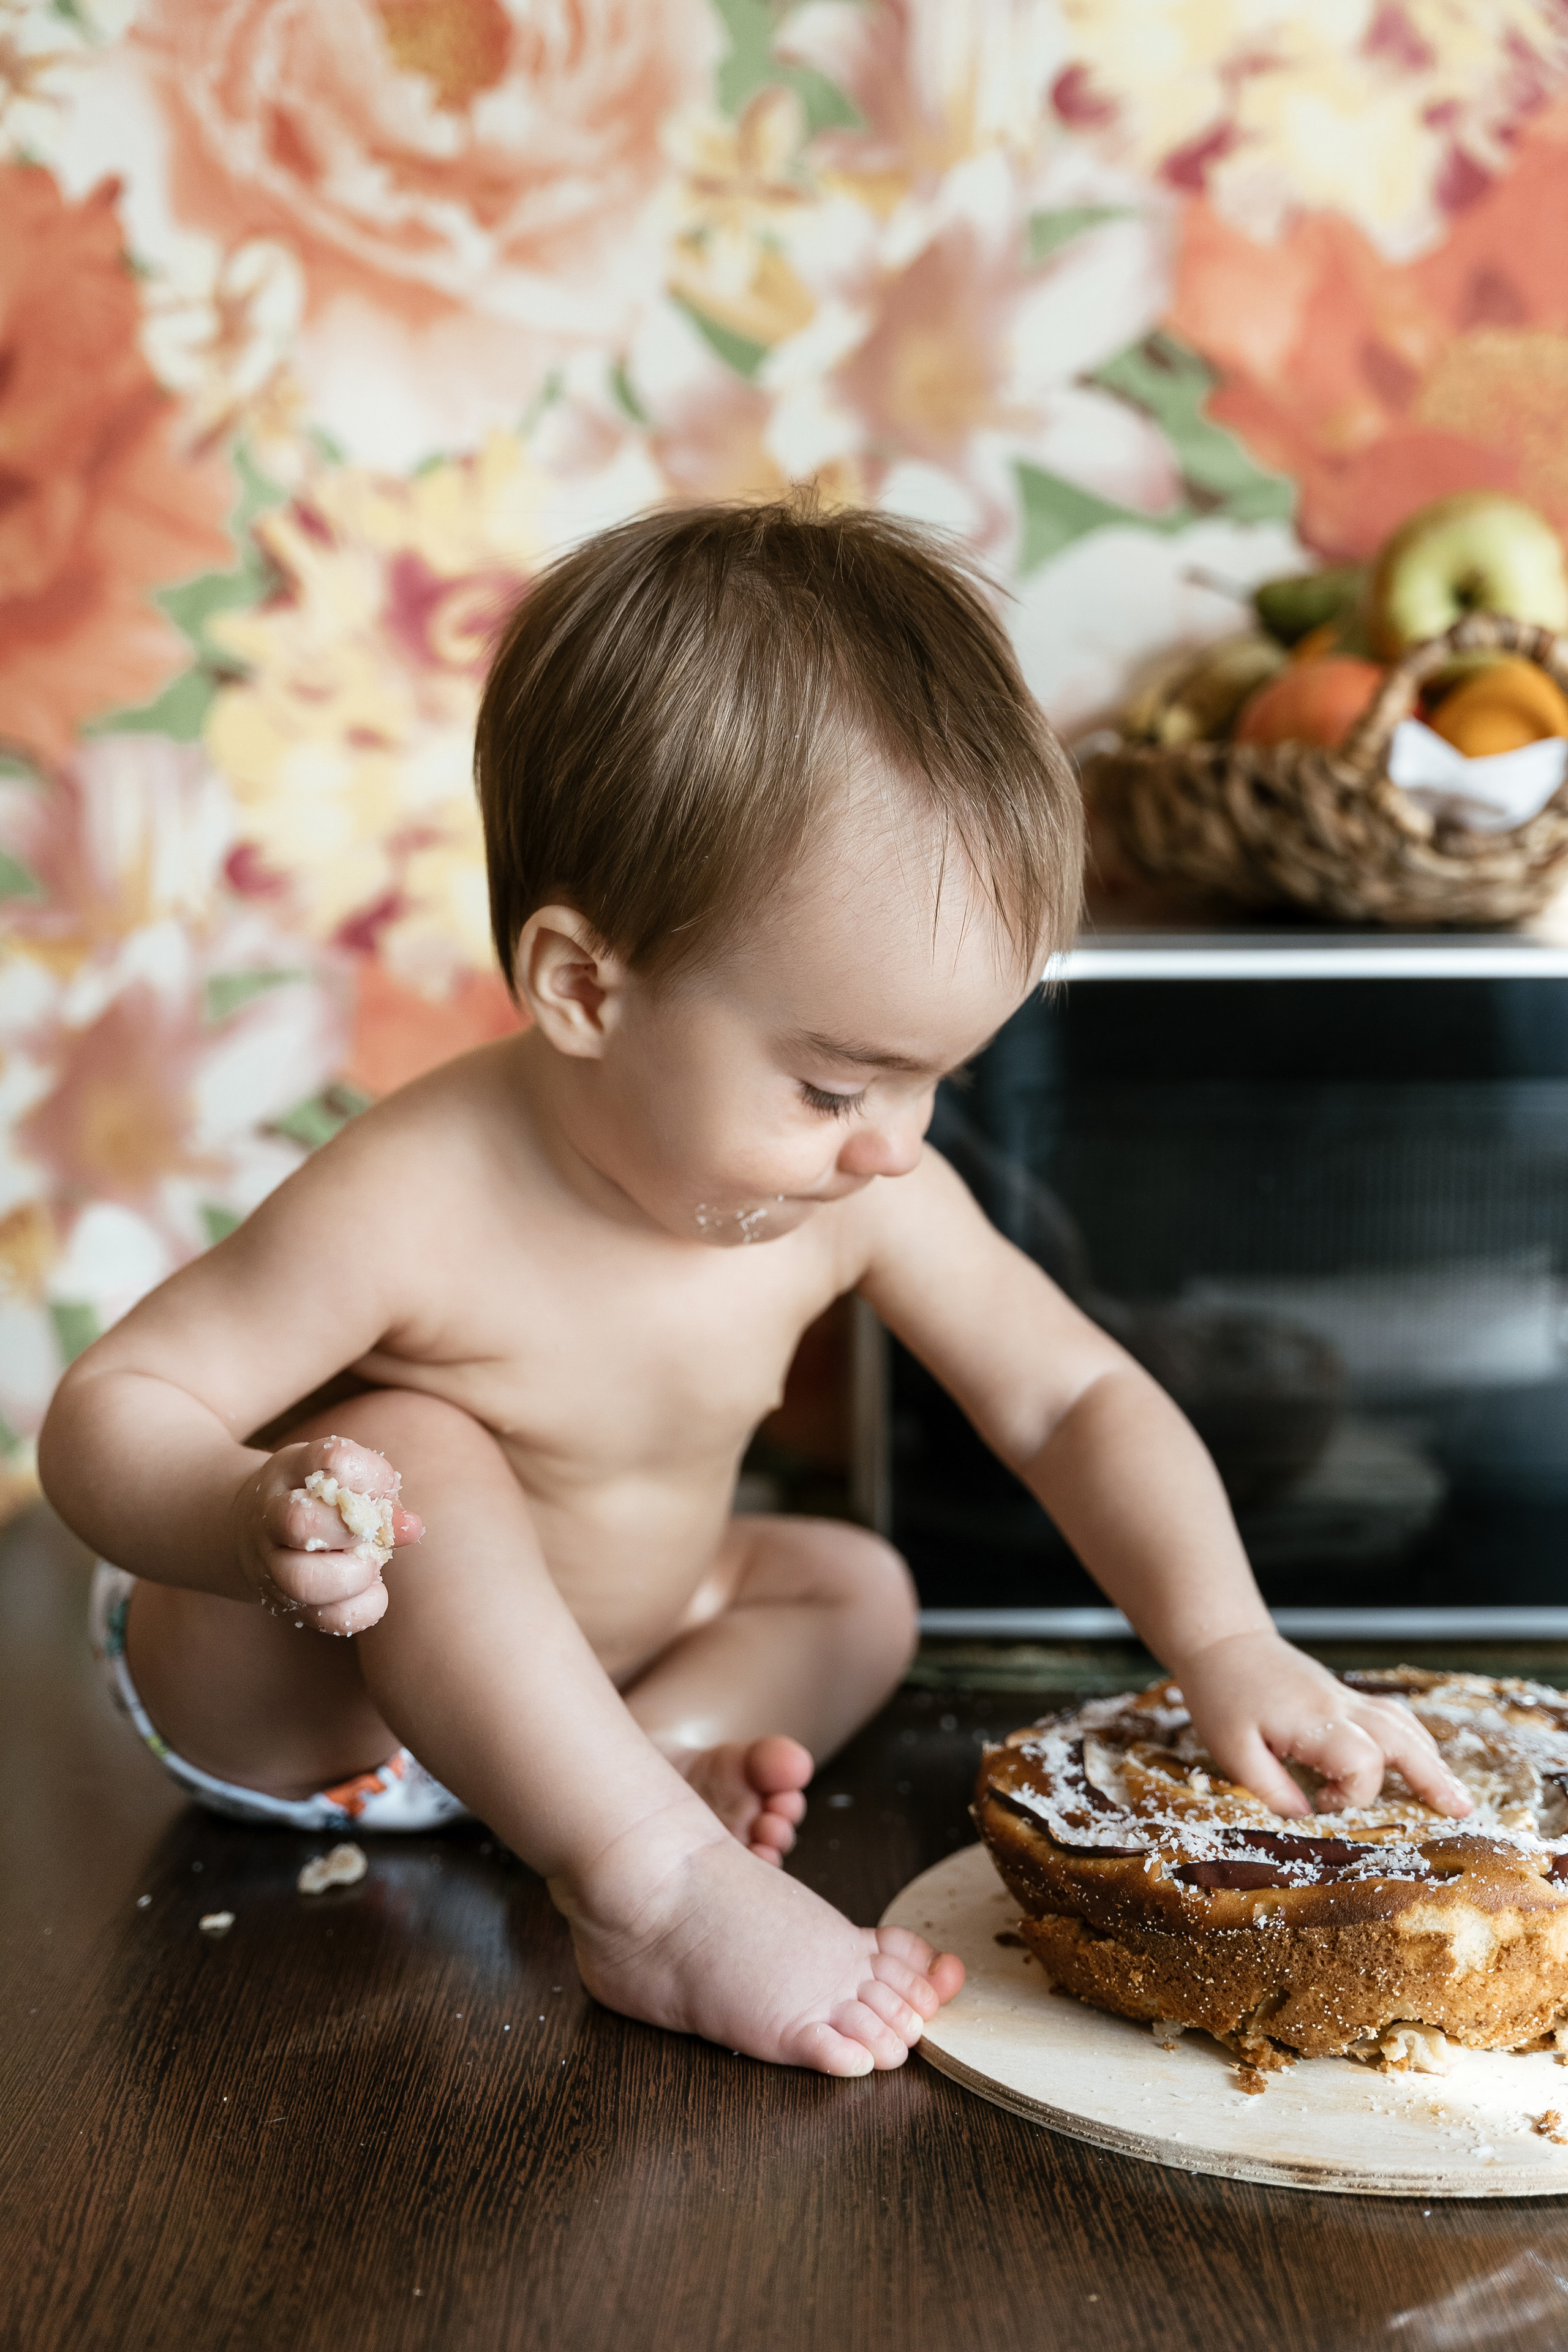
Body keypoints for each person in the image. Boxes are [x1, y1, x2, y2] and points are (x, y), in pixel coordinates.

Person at [39, 499, 1471, 2078]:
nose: (895, 1148)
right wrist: (256, 1515)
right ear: (586, 988)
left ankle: (633, 1775)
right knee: (421, 1445)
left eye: (941, 1082)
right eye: (835, 1086)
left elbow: (1070, 1395)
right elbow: (109, 1412)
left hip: (594, 1668)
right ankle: (649, 1885)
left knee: (854, 1585)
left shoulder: (857, 1188)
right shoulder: (417, 1194)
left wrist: (1228, 1641)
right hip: (309, 1705)